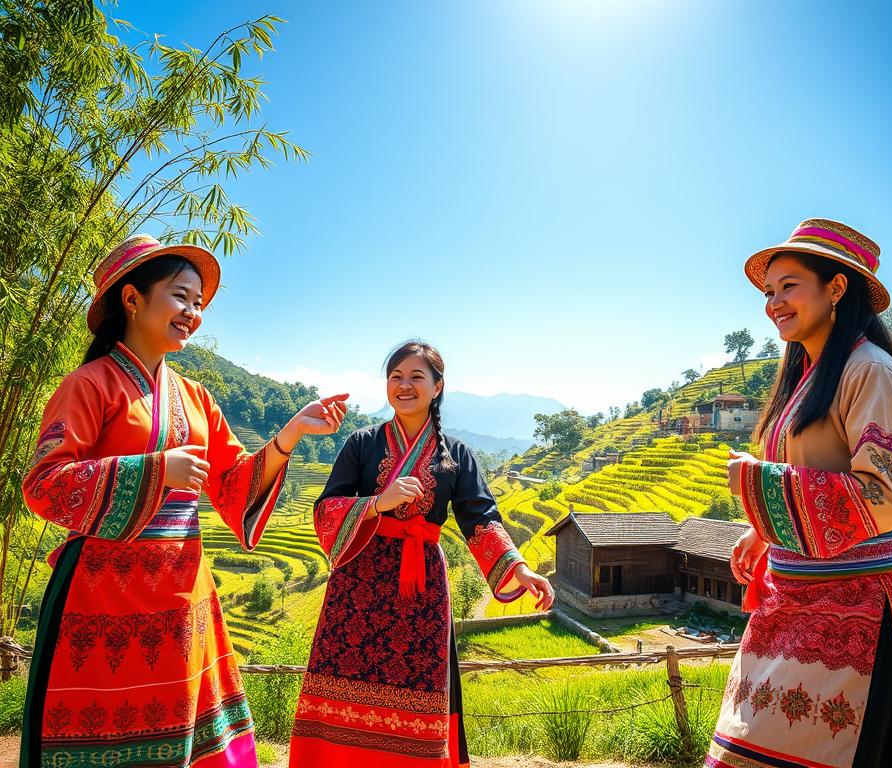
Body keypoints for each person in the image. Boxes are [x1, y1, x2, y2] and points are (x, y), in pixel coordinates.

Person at [20, 234, 348, 768]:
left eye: (198, 303)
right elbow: (45, 484)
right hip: (102, 604)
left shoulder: (196, 397)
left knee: (186, 738)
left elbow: (235, 484)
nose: (193, 313)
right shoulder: (88, 385)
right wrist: (154, 470)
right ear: (132, 299)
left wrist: (289, 434)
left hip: (182, 601)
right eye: (180, 296)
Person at [707, 219, 892, 768]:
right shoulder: (806, 376)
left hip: (858, 613)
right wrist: (761, 530)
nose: (774, 302)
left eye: (789, 286)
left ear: (837, 288)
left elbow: (885, 494)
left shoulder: (872, 372)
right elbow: (811, 466)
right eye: (769, 292)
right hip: (791, 605)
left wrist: (759, 483)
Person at [289, 340, 554, 768]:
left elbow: (481, 518)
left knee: (419, 685)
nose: (404, 385)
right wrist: (377, 502)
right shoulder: (361, 443)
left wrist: (519, 569)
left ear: (437, 387)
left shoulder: (457, 455)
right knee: (342, 679)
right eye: (396, 377)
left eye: (416, 377)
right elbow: (325, 512)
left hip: (421, 588)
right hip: (358, 585)